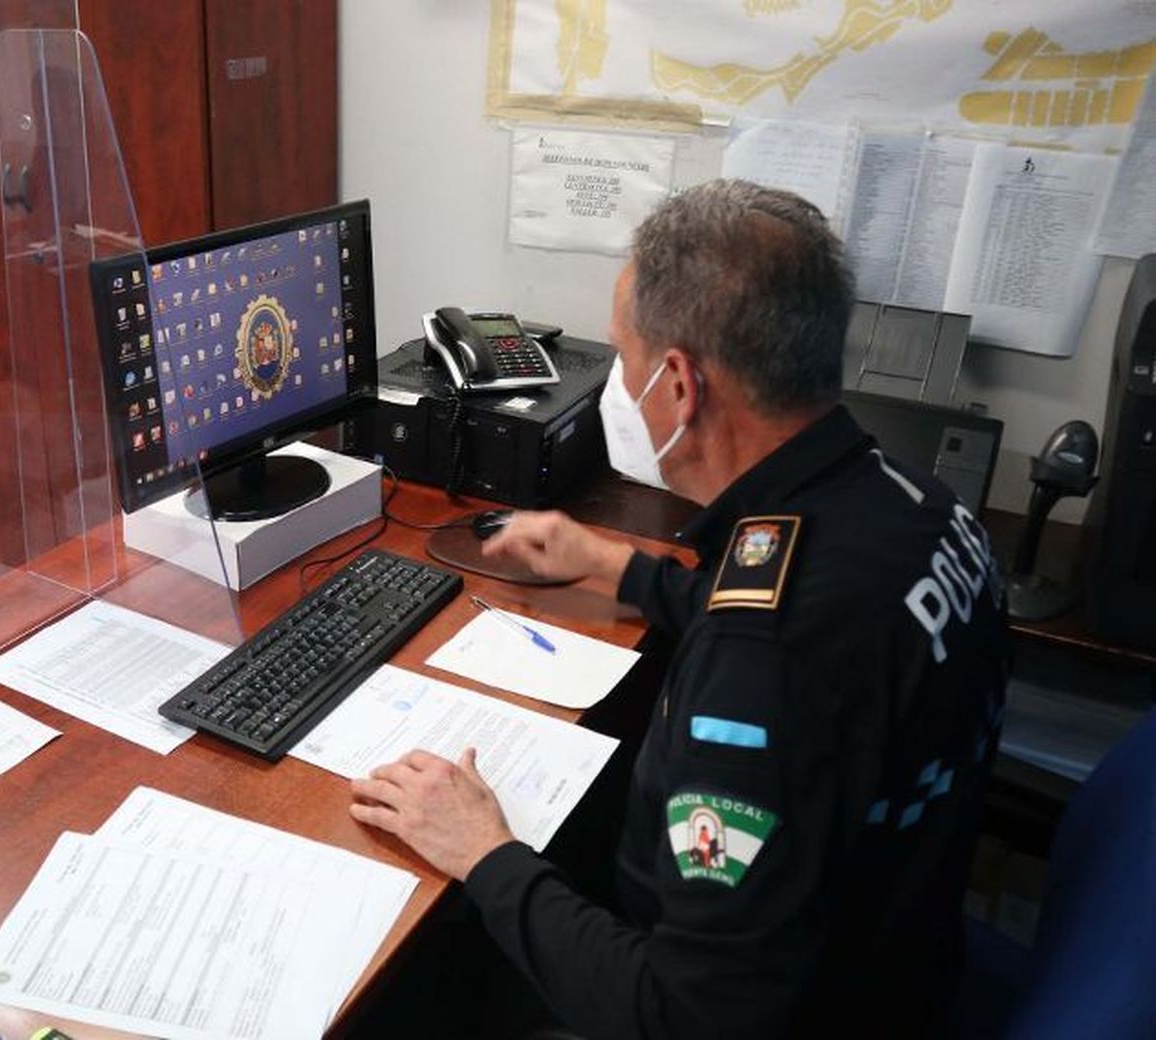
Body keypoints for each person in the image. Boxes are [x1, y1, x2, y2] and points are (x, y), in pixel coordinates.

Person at [348, 180, 1012, 1038]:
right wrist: (617, 566)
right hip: (895, 936)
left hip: (791, 1004)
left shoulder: (762, 668)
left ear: (679, 386)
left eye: (624, 361)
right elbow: (809, 618)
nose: (619, 387)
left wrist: (483, 853)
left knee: (416, 973)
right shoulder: (910, 504)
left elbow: (690, 1017)